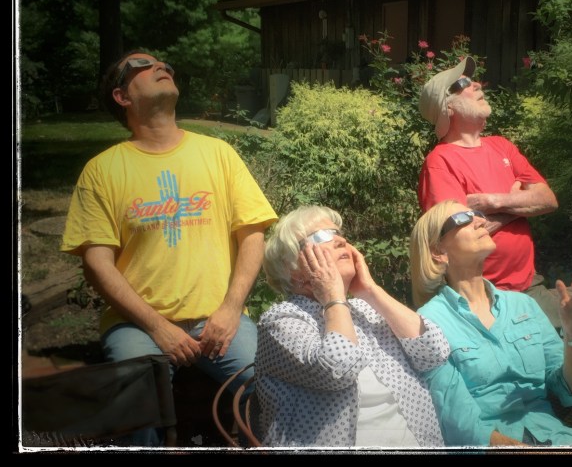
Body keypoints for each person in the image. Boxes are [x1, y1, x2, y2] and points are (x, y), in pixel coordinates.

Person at [60, 50, 278, 445]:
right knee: (135, 402)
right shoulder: (102, 170)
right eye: (141, 66)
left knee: (274, 389)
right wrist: (157, 326)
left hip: (219, 318)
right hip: (137, 324)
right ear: (122, 96)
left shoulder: (218, 154)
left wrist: (230, 309)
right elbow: (97, 264)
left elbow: (252, 235)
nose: (160, 66)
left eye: (164, 64)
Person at [410, 200, 572, 447]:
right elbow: (461, 425)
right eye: (463, 219)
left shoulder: (523, 305)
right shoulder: (428, 323)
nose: (481, 220)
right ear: (438, 252)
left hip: (557, 437)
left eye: (477, 214)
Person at [256, 205, 448, 447]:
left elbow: (435, 353)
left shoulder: (365, 308)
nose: (341, 240)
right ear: (293, 268)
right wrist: (332, 296)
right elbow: (339, 369)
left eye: (338, 233)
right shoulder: (280, 321)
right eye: (322, 236)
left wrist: (370, 291)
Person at [416, 57, 558, 309]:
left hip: (530, 284)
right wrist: (519, 207)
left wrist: (492, 201)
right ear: (447, 108)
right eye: (463, 83)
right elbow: (459, 237)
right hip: (483, 295)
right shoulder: (439, 162)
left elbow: (548, 200)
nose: (477, 85)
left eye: (474, 81)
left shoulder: (502, 146)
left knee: (563, 333)